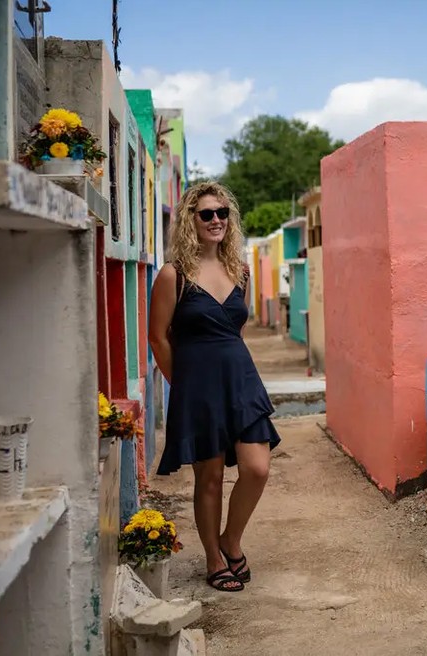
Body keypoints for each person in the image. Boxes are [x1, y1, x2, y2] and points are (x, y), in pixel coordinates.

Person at [148, 181, 281, 593]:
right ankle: (212, 558)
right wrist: (184, 386)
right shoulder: (174, 275)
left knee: (257, 468)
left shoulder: (238, 270)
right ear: (191, 219)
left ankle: (231, 540)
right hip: (199, 387)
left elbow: (236, 330)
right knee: (208, 480)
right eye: (207, 214)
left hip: (240, 379)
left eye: (222, 213)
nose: (217, 220)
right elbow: (158, 337)